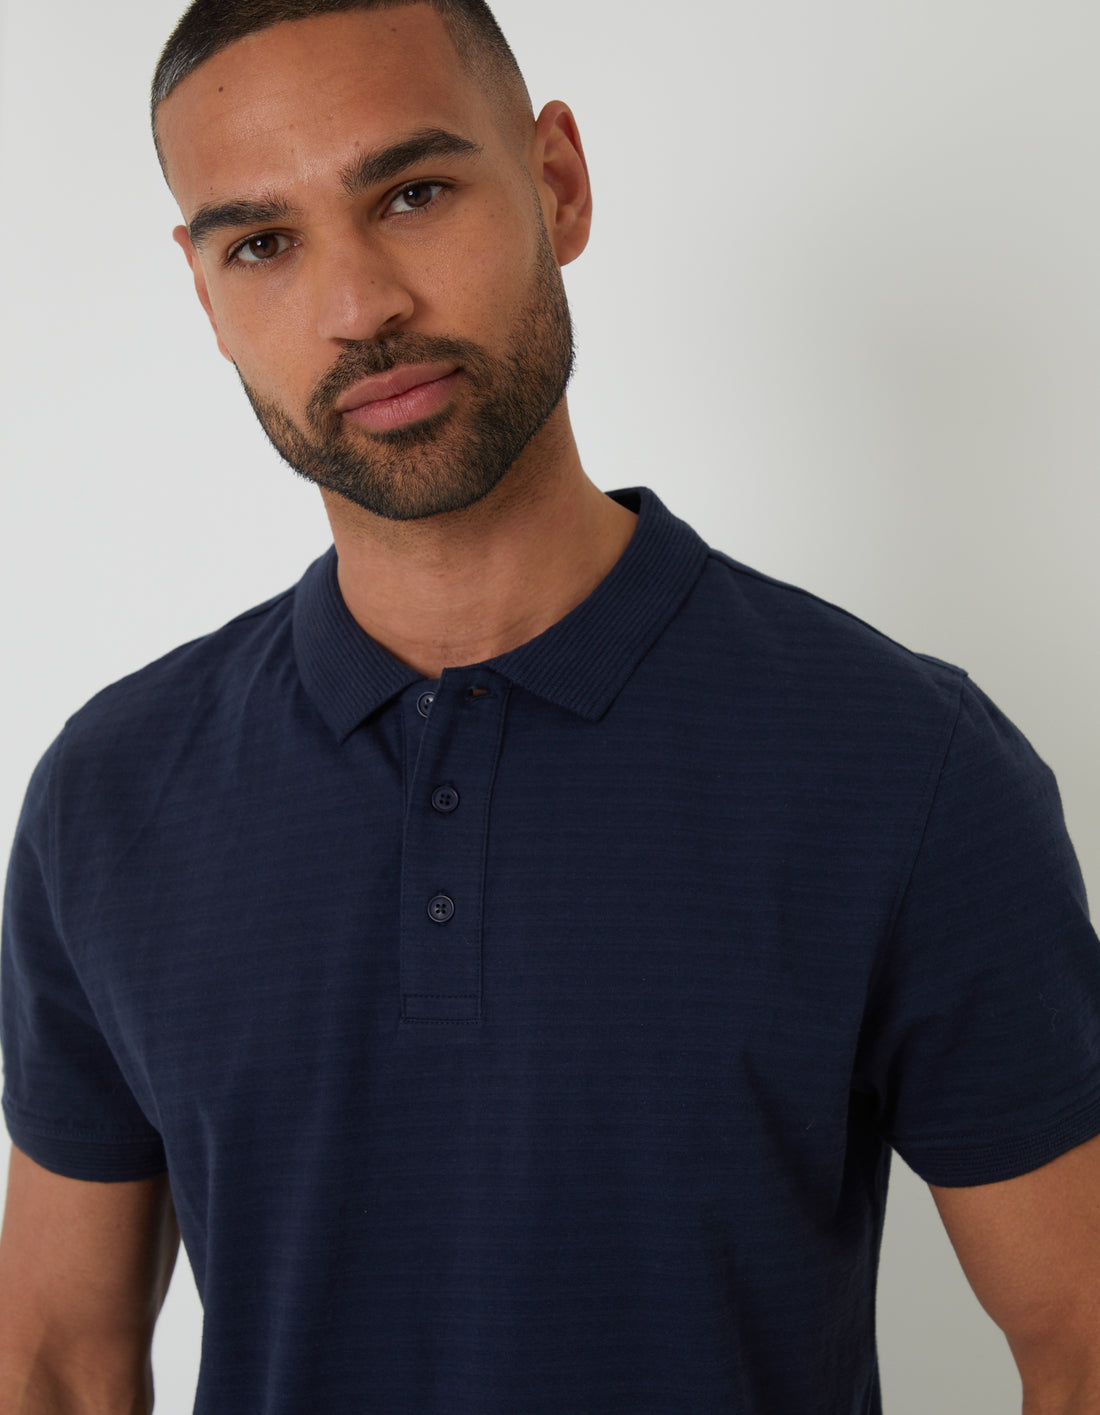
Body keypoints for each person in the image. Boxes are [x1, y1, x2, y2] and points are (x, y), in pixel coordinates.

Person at [1, 1, 1098, 1410]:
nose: (359, 307)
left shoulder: (907, 767)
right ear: (207, 296)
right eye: (262, 243)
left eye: (412, 193)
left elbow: (1080, 1336)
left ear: (558, 184)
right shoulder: (109, 795)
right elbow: (55, 1363)